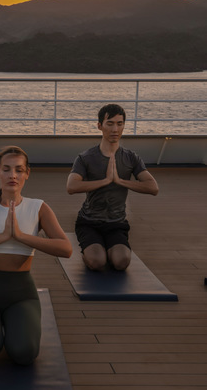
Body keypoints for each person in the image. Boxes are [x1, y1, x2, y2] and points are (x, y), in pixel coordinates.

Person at [0, 146, 72, 366]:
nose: (12, 175)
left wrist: (20, 236)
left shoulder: (38, 207)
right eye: (6, 169)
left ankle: (10, 323)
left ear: (27, 173)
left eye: (19, 170)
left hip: (21, 294)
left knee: (25, 353)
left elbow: (66, 249)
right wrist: (2, 236)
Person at [67, 103, 158, 271]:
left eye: (119, 123)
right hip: (89, 222)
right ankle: (91, 251)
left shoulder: (131, 158)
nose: (115, 129)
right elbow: (71, 186)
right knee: (97, 262)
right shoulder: (86, 157)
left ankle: (107, 249)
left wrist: (120, 181)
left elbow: (153, 188)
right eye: (110, 123)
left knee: (121, 262)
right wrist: (105, 181)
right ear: (99, 126)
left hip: (116, 223)